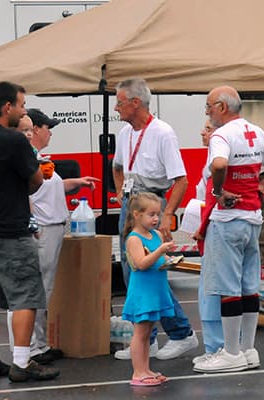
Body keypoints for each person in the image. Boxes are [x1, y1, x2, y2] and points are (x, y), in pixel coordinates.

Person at [193, 86, 264, 373]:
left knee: (228, 287)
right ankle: (249, 349)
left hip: (228, 219)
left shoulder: (222, 135)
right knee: (249, 285)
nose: (207, 111)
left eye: (209, 106)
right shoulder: (255, 131)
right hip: (253, 217)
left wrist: (219, 189)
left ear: (222, 108)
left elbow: (220, 163)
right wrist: (262, 185)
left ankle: (231, 352)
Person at [0, 81, 59, 382]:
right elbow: (35, 181)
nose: (23, 112)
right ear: (7, 107)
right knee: (26, 296)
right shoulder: (14, 141)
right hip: (11, 229)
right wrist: (33, 173)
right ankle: (22, 362)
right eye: (20, 105)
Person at [111, 77, 197, 360]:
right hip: (131, 202)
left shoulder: (162, 132)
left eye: (120, 102)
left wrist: (166, 214)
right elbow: (118, 166)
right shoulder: (125, 133)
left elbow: (181, 180)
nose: (116, 107)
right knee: (131, 271)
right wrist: (122, 194)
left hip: (150, 201)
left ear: (136, 103)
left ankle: (181, 333)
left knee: (151, 272)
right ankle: (146, 339)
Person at [6, 109, 99, 365]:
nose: (50, 133)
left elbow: (47, 187)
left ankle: (37, 344)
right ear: (35, 129)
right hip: (42, 229)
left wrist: (74, 182)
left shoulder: (36, 158)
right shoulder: (25, 159)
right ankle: (29, 347)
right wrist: (32, 223)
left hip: (51, 227)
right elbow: (24, 193)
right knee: (34, 289)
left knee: (41, 289)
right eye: (48, 127)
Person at [122, 192, 176, 386]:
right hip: (143, 291)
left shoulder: (157, 235)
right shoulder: (134, 239)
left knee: (149, 332)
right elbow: (141, 263)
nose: (156, 219)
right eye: (151, 214)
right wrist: (160, 251)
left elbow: (159, 261)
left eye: (158, 214)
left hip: (157, 289)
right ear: (137, 215)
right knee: (141, 332)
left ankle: (146, 369)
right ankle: (138, 372)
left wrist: (169, 259)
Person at [190, 119, 224, 365]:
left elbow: (212, 200)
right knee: (211, 288)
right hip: (210, 228)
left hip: (214, 230)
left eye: (208, 128)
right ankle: (220, 344)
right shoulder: (210, 161)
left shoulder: (217, 163)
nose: (202, 132)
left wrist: (200, 229)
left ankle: (217, 347)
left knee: (211, 290)